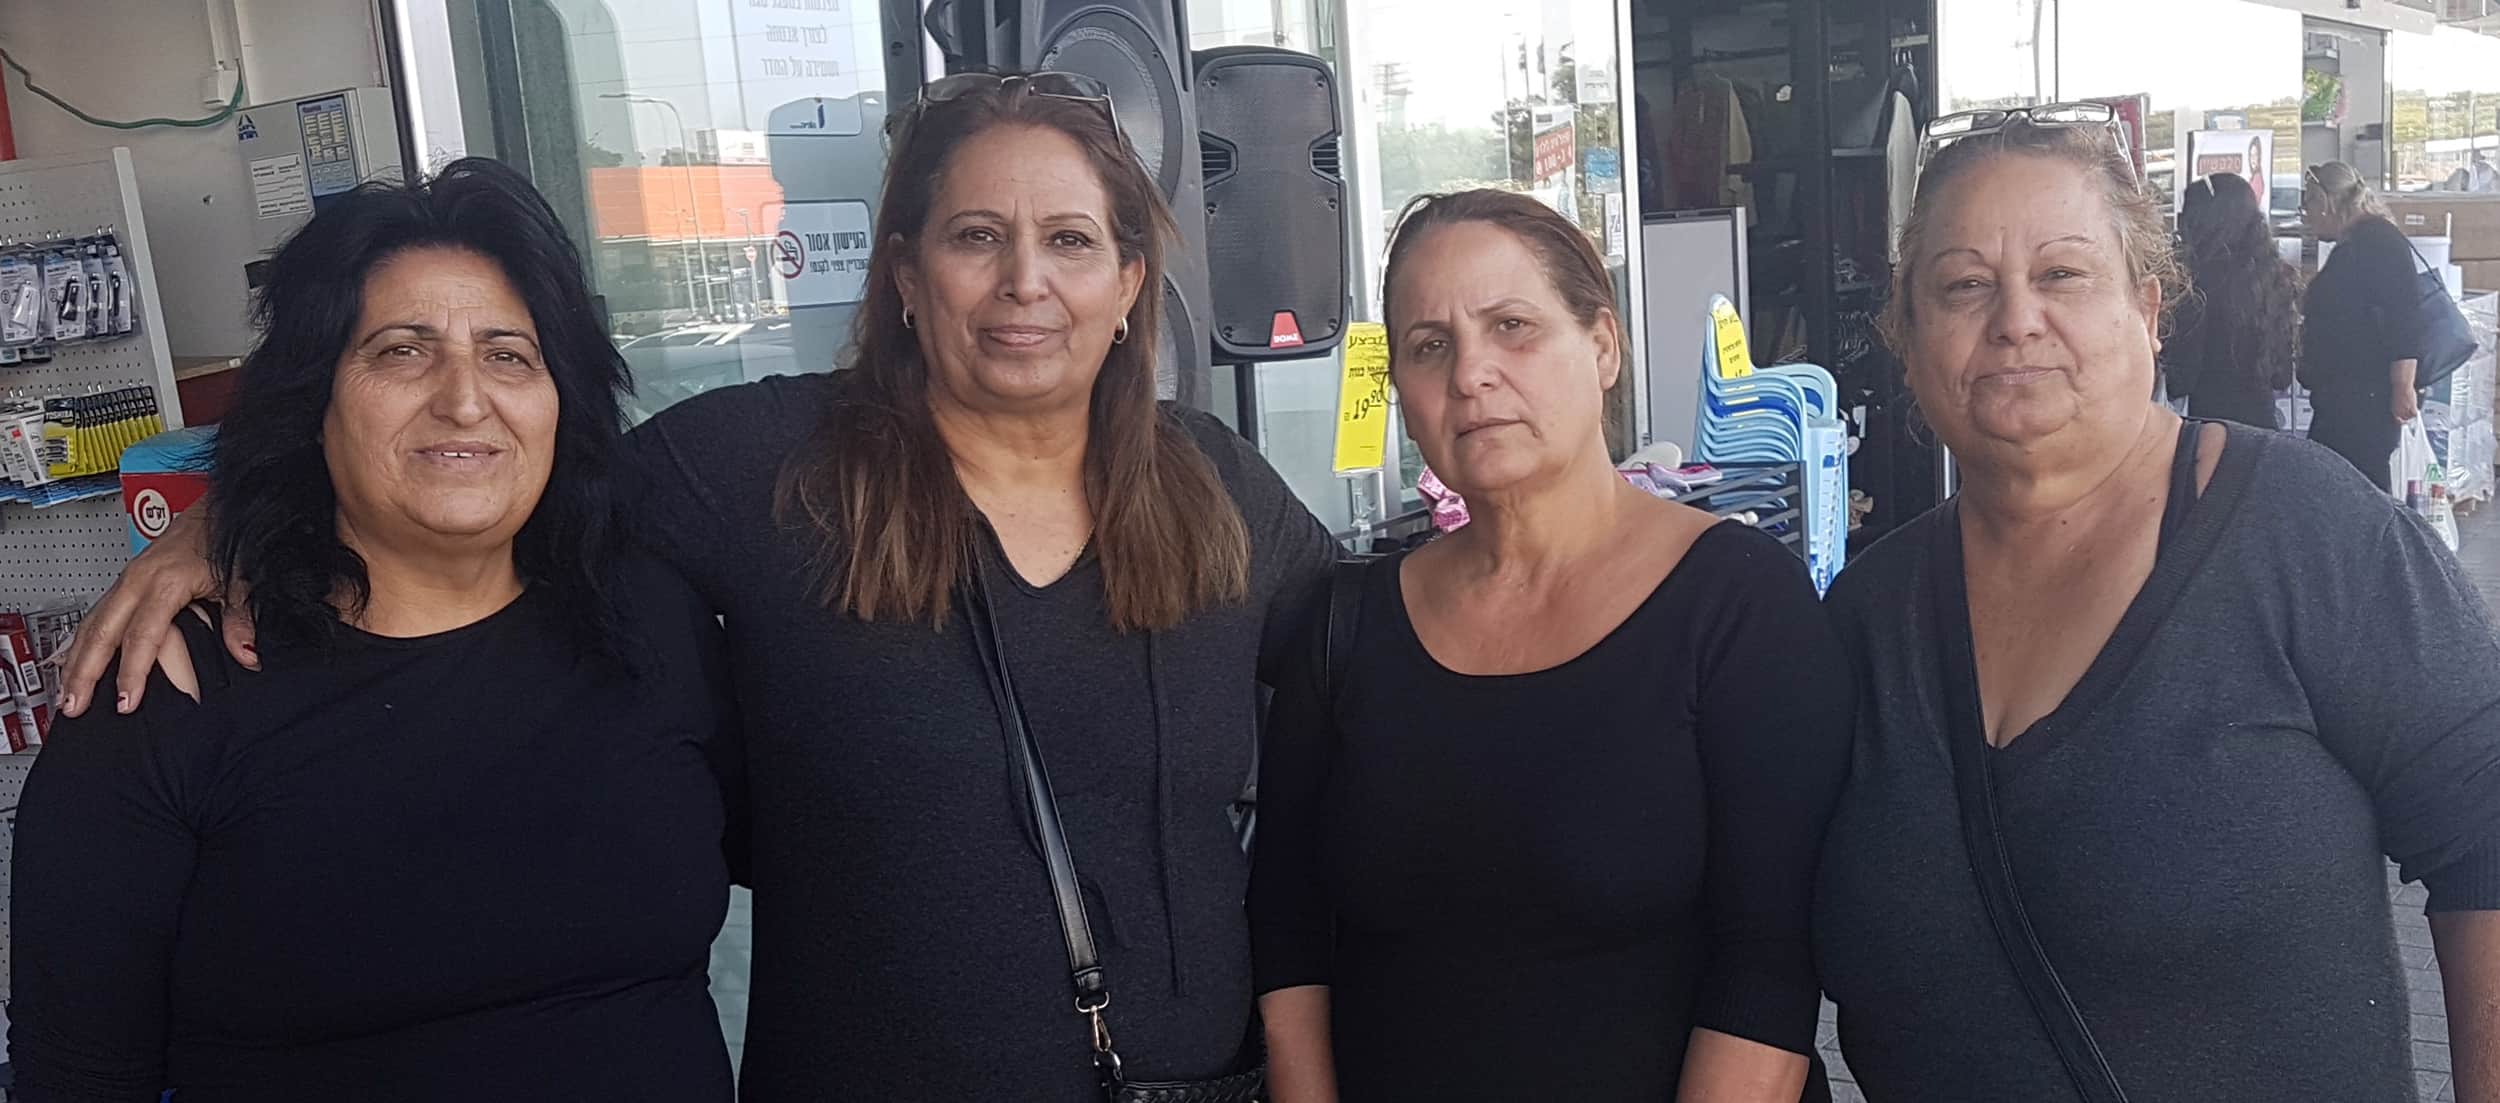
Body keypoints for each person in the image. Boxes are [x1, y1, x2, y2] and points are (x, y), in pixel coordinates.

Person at [54, 73, 1333, 1101]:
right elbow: (489, 475)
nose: (1024, 283)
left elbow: (1382, 665)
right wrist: (232, 520)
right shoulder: (764, 467)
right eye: (974, 237)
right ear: (903, 273)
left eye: (1070, 241)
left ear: (1129, 283)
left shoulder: (1219, 489)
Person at [10, 160, 741, 1101]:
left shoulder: (650, 621)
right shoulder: (165, 691)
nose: (465, 399)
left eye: (509, 356)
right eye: (401, 351)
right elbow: (75, 1076)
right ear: (312, 402)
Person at [1813, 115, 2500, 1101]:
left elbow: (2484, 830)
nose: (2015, 319)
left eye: (2061, 274)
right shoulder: (1866, 621)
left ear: (2147, 309)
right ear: (1908, 335)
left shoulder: (2299, 531)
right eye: (1963, 286)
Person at [1251, 189, 1851, 1102]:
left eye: (1513, 327)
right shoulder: (1345, 626)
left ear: (1603, 345)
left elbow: (1768, 970)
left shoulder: (1736, 602)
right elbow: (1289, 930)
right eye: (1430, 346)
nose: (1471, 375)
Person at [2300, 160, 2427, 488]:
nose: (2306, 216)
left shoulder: (2379, 243)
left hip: (2364, 398)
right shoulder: (2356, 243)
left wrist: (2402, 385)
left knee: (2358, 484)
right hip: (2344, 395)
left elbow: (2405, 319)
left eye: (2307, 206)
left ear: (2325, 203)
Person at [2166, 172, 2300, 428]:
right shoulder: (2274, 276)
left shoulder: (2197, 283)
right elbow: (2281, 376)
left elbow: (2181, 380)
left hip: (2211, 427)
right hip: (2263, 425)